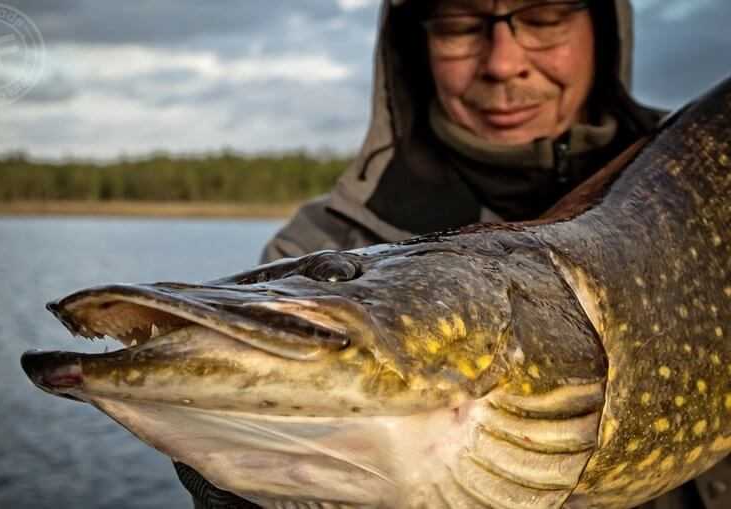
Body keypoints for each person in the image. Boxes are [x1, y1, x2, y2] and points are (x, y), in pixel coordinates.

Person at [176, 1, 731, 507]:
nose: (503, 63)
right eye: (460, 27)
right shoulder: (323, 242)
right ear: (416, 45)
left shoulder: (709, 183)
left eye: (544, 19)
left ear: (603, 29)